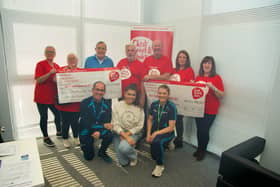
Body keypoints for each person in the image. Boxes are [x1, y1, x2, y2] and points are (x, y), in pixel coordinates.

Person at [194, 56, 224, 161]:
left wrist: (213, 87)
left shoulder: (216, 78)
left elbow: (221, 95)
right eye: (205, 63)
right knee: (199, 130)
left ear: (212, 66)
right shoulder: (198, 77)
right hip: (198, 109)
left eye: (209, 63)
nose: (206, 65)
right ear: (202, 65)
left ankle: (202, 151)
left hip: (210, 110)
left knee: (204, 130)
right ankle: (199, 149)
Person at [146, 85, 177, 177]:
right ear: (157, 94)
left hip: (168, 131)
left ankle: (160, 166)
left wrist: (155, 133)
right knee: (154, 156)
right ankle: (162, 146)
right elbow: (150, 120)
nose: (162, 95)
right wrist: (148, 134)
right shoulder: (154, 104)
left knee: (157, 142)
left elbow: (171, 127)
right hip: (156, 130)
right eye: (160, 93)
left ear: (168, 95)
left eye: (164, 93)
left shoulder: (172, 107)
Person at [34, 46, 61, 147]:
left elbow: (58, 81)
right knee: (44, 117)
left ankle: (59, 132)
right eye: (48, 52)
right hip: (41, 97)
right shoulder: (40, 64)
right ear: (45, 53)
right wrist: (49, 73)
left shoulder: (57, 66)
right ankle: (46, 138)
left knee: (58, 114)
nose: (50, 53)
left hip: (52, 97)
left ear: (55, 54)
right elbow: (39, 80)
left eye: (52, 52)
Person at [79, 81, 113, 163]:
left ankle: (102, 152)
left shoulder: (107, 103)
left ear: (104, 92)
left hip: (100, 128)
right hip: (86, 129)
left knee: (110, 135)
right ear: (92, 90)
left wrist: (99, 132)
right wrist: (101, 127)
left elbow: (107, 121)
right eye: (97, 89)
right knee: (89, 157)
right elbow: (85, 123)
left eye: (102, 90)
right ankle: (86, 145)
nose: (99, 92)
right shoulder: (84, 102)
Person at [112, 84, 144, 166]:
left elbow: (140, 126)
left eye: (133, 95)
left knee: (123, 148)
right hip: (119, 133)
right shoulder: (117, 106)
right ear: (124, 94)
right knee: (123, 162)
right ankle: (129, 148)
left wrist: (127, 135)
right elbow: (115, 124)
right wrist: (124, 135)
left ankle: (134, 155)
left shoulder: (139, 108)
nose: (131, 96)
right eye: (129, 94)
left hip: (133, 133)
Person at [55, 53, 81, 148]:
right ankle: (65, 139)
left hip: (77, 103)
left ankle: (76, 137)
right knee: (65, 122)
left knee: (75, 122)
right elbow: (55, 80)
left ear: (77, 60)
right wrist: (64, 73)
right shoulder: (61, 70)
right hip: (65, 103)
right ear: (67, 61)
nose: (72, 60)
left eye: (74, 59)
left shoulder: (81, 71)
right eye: (70, 59)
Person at [170, 50, 195, 148]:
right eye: (180, 57)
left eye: (184, 57)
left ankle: (179, 141)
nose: (182, 59)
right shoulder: (173, 69)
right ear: (177, 59)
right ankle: (170, 139)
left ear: (187, 59)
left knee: (179, 120)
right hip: (172, 99)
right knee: (171, 120)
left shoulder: (189, 70)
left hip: (182, 100)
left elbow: (190, 85)